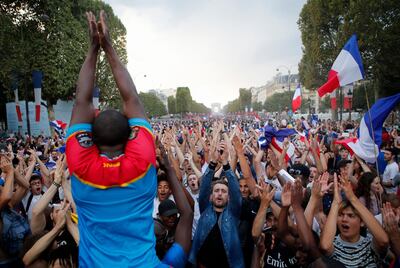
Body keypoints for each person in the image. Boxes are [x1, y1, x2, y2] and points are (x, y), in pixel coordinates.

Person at [65, 11, 161, 267]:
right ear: (130, 134)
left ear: (92, 139)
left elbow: (81, 101)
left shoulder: (82, 167)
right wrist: (107, 46)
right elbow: (133, 99)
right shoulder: (141, 162)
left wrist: (93, 49)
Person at [189, 139, 244, 267]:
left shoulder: (233, 213)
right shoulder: (205, 209)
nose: (219, 193)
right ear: (210, 197)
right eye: (216, 191)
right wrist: (213, 162)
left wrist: (225, 163)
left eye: (224, 191)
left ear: (229, 198)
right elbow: (203, 187)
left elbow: (236, 191)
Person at [320, 174, 389, 267]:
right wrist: (336, 202)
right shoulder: (334, 244)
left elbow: (383, 241)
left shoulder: (369, 244)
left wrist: (352, 198)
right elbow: (325, 247)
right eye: (340, 215)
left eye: (350, 216)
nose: (344, 219)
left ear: (362, 222)